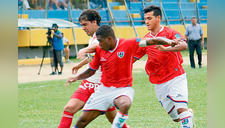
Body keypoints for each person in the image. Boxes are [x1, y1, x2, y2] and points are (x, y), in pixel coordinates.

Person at [66, 25, 179, 128]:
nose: (99, 44)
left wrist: (169, 41)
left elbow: (153, 40)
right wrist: (76, 77)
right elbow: (91, 71)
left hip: (122, 89)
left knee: (125, 104)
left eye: (100, 41)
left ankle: (117, 125)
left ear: (109, 39)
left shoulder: (128, 43)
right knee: (82, 121)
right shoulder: (100, 50)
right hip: (103, 90)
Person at [57, 9, 130, 128]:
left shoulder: (104, 37)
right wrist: (79, 65)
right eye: (81, 25)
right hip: (89, 83)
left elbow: (97, 46)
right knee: (69, 108)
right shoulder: (93, 37)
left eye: (85, 25)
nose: (83, 28)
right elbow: (94, 56)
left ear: (94, 22)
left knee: (114, 121)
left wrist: (85, 49)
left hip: (102, 87)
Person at [133, 5, 194, 128]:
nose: (146, 22)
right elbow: (132, 59)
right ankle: (189, 115)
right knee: (176, 117)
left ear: (158, 18)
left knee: (181, 110)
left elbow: (183, 45)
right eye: (145, 19)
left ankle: (186, 115)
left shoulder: (170, 33)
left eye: (149, 18)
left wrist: (166, 48)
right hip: (159, 83)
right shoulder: (146, 40)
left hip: (176, 77)